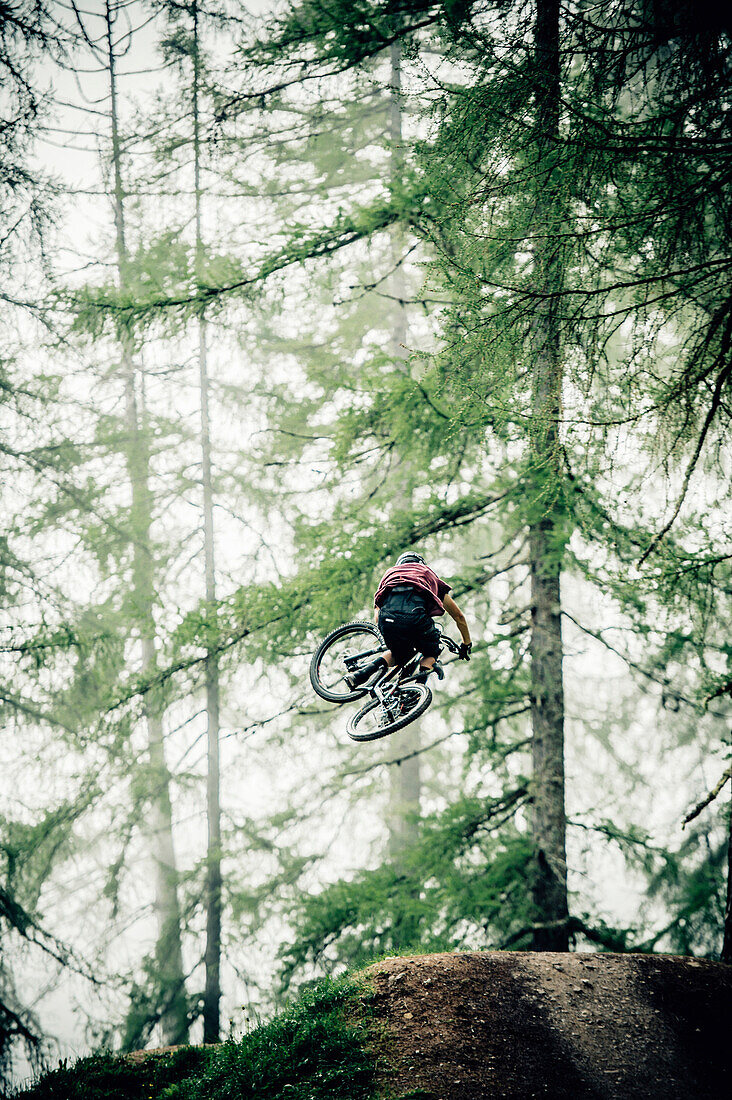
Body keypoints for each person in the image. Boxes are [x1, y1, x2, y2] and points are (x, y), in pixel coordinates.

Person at [346, 552, 472, 689]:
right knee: (431, 652)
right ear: (420, 563)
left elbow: (377, 612)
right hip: (415, 618)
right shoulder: (427, 574)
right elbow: (459, 616)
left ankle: (359, 675)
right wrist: (466, 644)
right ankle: (418, 690)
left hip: (386, 619)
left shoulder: (390, 574)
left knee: (397, 654)